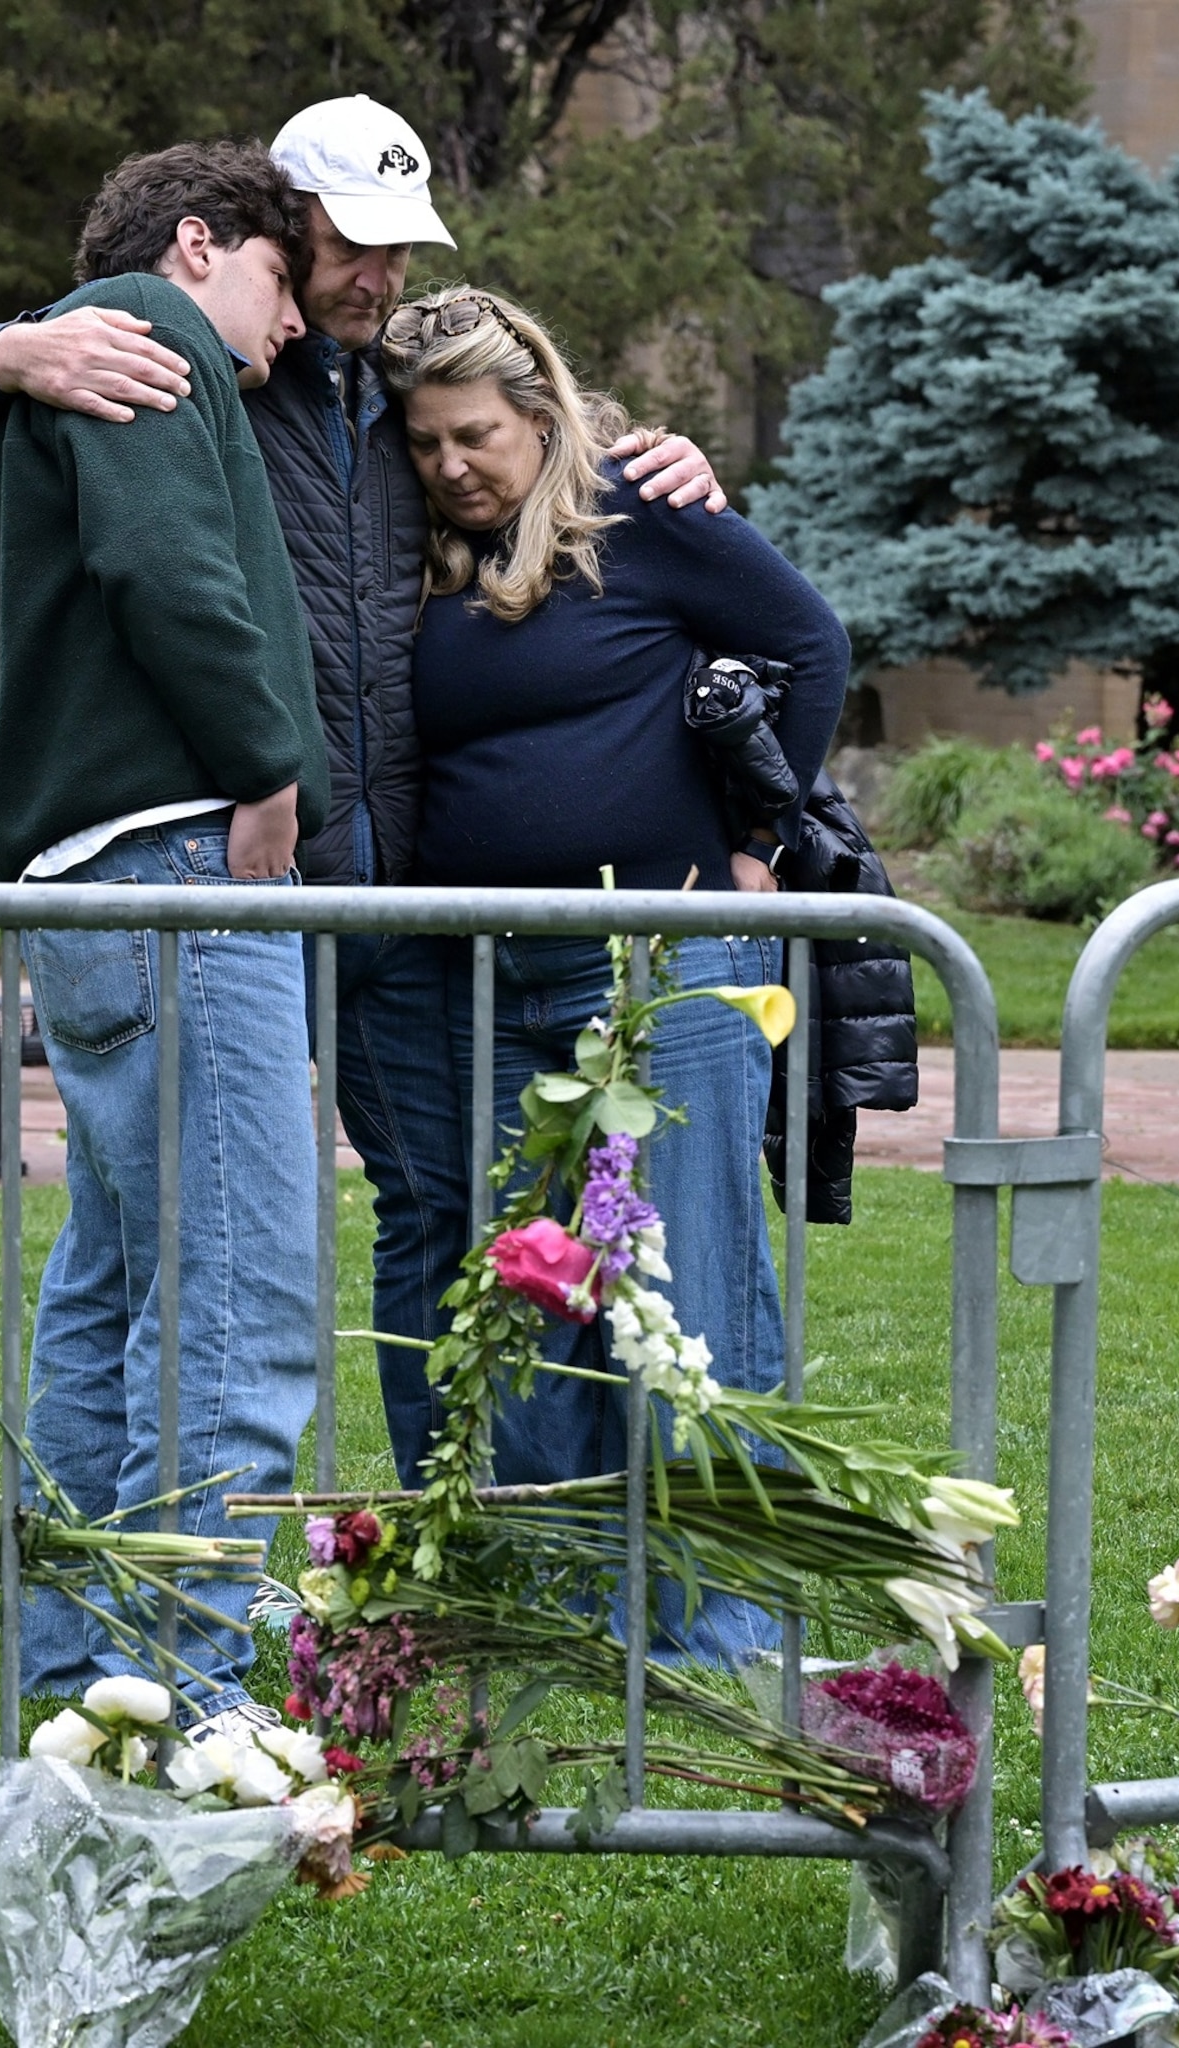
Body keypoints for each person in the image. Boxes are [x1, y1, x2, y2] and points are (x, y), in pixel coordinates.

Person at [0, 97, 726, 1488]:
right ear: (272, 231)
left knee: (452, 1210)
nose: (379, 280)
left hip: (397, 877)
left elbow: (526, 438)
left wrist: (661, 455)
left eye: (404, 253)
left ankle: (473, 1528)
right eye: (348, 250)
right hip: (245, 862)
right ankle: (235, 1609)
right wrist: (4, 348)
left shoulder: (387, 376)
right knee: (243, 1253)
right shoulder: (201, 354)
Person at [375, 285, 849, 1660]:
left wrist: (757, 834)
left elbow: (811, 643)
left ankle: (716, 1623)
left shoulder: (646, 512)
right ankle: (554, 1607)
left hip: (662, 964)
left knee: (685, 1284)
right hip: (484, 977)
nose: (451, 465)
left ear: (541, 415)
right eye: (425, 443)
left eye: (476, 436)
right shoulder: (408, 551)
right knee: (522, 1286)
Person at [0, 140, 324, 1729]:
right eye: (282, 276)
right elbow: (169, 571)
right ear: (200, 243)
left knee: (117, 1298)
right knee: (238, 1306)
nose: (298, 320)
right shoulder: (146, 336)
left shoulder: (65, 357)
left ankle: (75, 1707)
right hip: (174, 867)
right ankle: (180, 1718)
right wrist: (267, 774)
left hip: (86, 881)